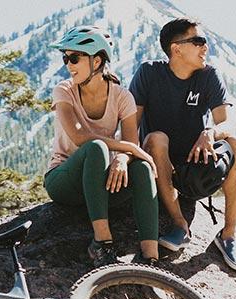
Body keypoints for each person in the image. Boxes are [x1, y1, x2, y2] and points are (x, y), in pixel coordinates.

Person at [129, 17, 236, 272]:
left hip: (197, 167)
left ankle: (228, 235)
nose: (205, 47)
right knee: (156, 138)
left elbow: (227, 125)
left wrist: (210, 132)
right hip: (158, 165)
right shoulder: (149, 73)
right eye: (198, 41)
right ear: (177, 48)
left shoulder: (209, 76)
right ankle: (179, 225)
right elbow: (130, 126)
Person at [44, 25, 160, 267]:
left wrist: (123, 156)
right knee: (96, 147)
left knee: (141, 168)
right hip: (64, 181)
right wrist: (127, 148)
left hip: (99, 185)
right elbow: (80, 138)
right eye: (65, 58)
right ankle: (102, 242)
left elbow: (130, 144)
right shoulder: (63, 91)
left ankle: (150, 258)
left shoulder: (122, 96)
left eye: (74, 58)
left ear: (97, 61)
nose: (68, 65)